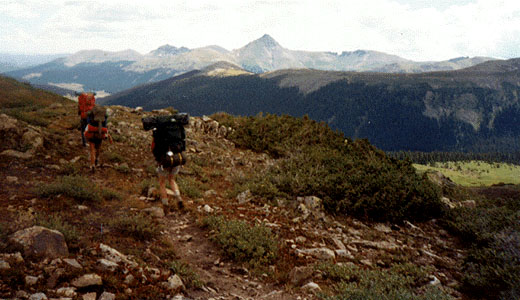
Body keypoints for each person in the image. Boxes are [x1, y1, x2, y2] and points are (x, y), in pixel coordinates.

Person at [84, 105, 110, 172]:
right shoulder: (104, 116)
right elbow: (105, 125)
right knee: (98, 148)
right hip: (100, 133)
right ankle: (97, 159)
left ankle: (92, 165)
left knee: (92, 149)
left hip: (91, 133)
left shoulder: (91, 115)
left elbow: (88, 122)